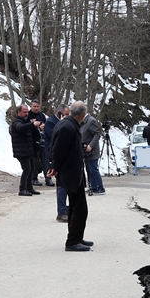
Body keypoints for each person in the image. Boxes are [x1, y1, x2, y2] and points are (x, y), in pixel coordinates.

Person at [48, 102, 93, 252]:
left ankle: (76, 237)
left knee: (75, 207)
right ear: (81, 115)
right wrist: (54, 167)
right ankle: (72, 241)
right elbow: (58, 150)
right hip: (70, 173)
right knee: (80, 209)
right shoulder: (68, 127)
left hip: (73, 172)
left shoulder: (68, 124)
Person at [9, 104, 42, 196]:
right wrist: (32, 124)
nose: (26, 114)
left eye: (27, 112)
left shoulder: (25, 121)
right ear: (18, 112)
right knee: (27, 169)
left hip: (28, 150)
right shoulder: (16, 122)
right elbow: (20, 128)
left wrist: (36, 126)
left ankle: (29, 188)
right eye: (24, 112)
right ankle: (22, 189)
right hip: (21, 151)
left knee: (31, 168)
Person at [46, 104, 70, 221]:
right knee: (61, 185)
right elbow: (54, 140)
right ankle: (61, 211)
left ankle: (64, 208)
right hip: (55, 156)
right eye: (66, 115)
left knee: (65, 185)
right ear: (60, 114)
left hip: (63, 157)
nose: (68, 117)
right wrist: (52, 163)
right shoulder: (51, 123)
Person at [80, 112, 106, 195]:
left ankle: (100, 187)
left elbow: (97, 135)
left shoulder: (91, 121)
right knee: (89, 169)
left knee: (93, 169)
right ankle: (93, 187)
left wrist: (91, 145)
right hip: (86, 150)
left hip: (92, 151)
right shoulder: (83, 122)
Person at [29, 101, 48, 185]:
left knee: (45, 161)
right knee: (35, 162)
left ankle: (48, 178)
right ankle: (34, 178)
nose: (36, 108)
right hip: (33, 142)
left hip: (43, 141)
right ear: (31, 106)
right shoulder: (28, 115)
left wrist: (43, 127)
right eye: (34, 106)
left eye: (37, 106)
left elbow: (46, 124)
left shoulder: (41, 115)